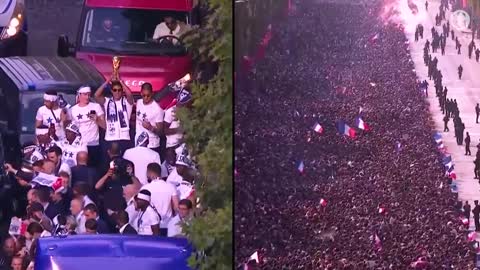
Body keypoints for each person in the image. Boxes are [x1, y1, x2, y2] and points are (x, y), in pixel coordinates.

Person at [94, 79, 134, 156]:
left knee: (123, 164)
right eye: (115, 90)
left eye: (119, 90)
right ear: (111, 91)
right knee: (110, 164)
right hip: (110, 138)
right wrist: (107, 81)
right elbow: (96, 95)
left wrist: (121, 82)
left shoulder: (127, 102)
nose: (117, 92)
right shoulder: (107, 102)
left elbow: (129, 95)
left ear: (122, 91)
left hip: (124, 138)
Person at [70, 86, 105, 168]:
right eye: (85, 94)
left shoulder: (96, 106)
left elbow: (104, 126)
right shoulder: (72, 109)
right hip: (79, 145)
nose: (87, 97)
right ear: (79, 95)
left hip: (93, 144)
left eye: (89, 95)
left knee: (93, 168)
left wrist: (96, 119)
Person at [142, 163, 179, 236]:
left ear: (149, 173)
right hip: (168, 225)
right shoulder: (171, 187)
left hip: (151, 227)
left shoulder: (145, 188)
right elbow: (176, 207)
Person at [135, 83, 164, 156]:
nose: (146, 97)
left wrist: (150, 127)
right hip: (139, 143)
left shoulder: (157, 109)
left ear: (152, 93)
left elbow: (160, 132)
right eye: (144, 95)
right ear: (141, 93)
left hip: (152, 145)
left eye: (148, 95)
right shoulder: (138, 102)